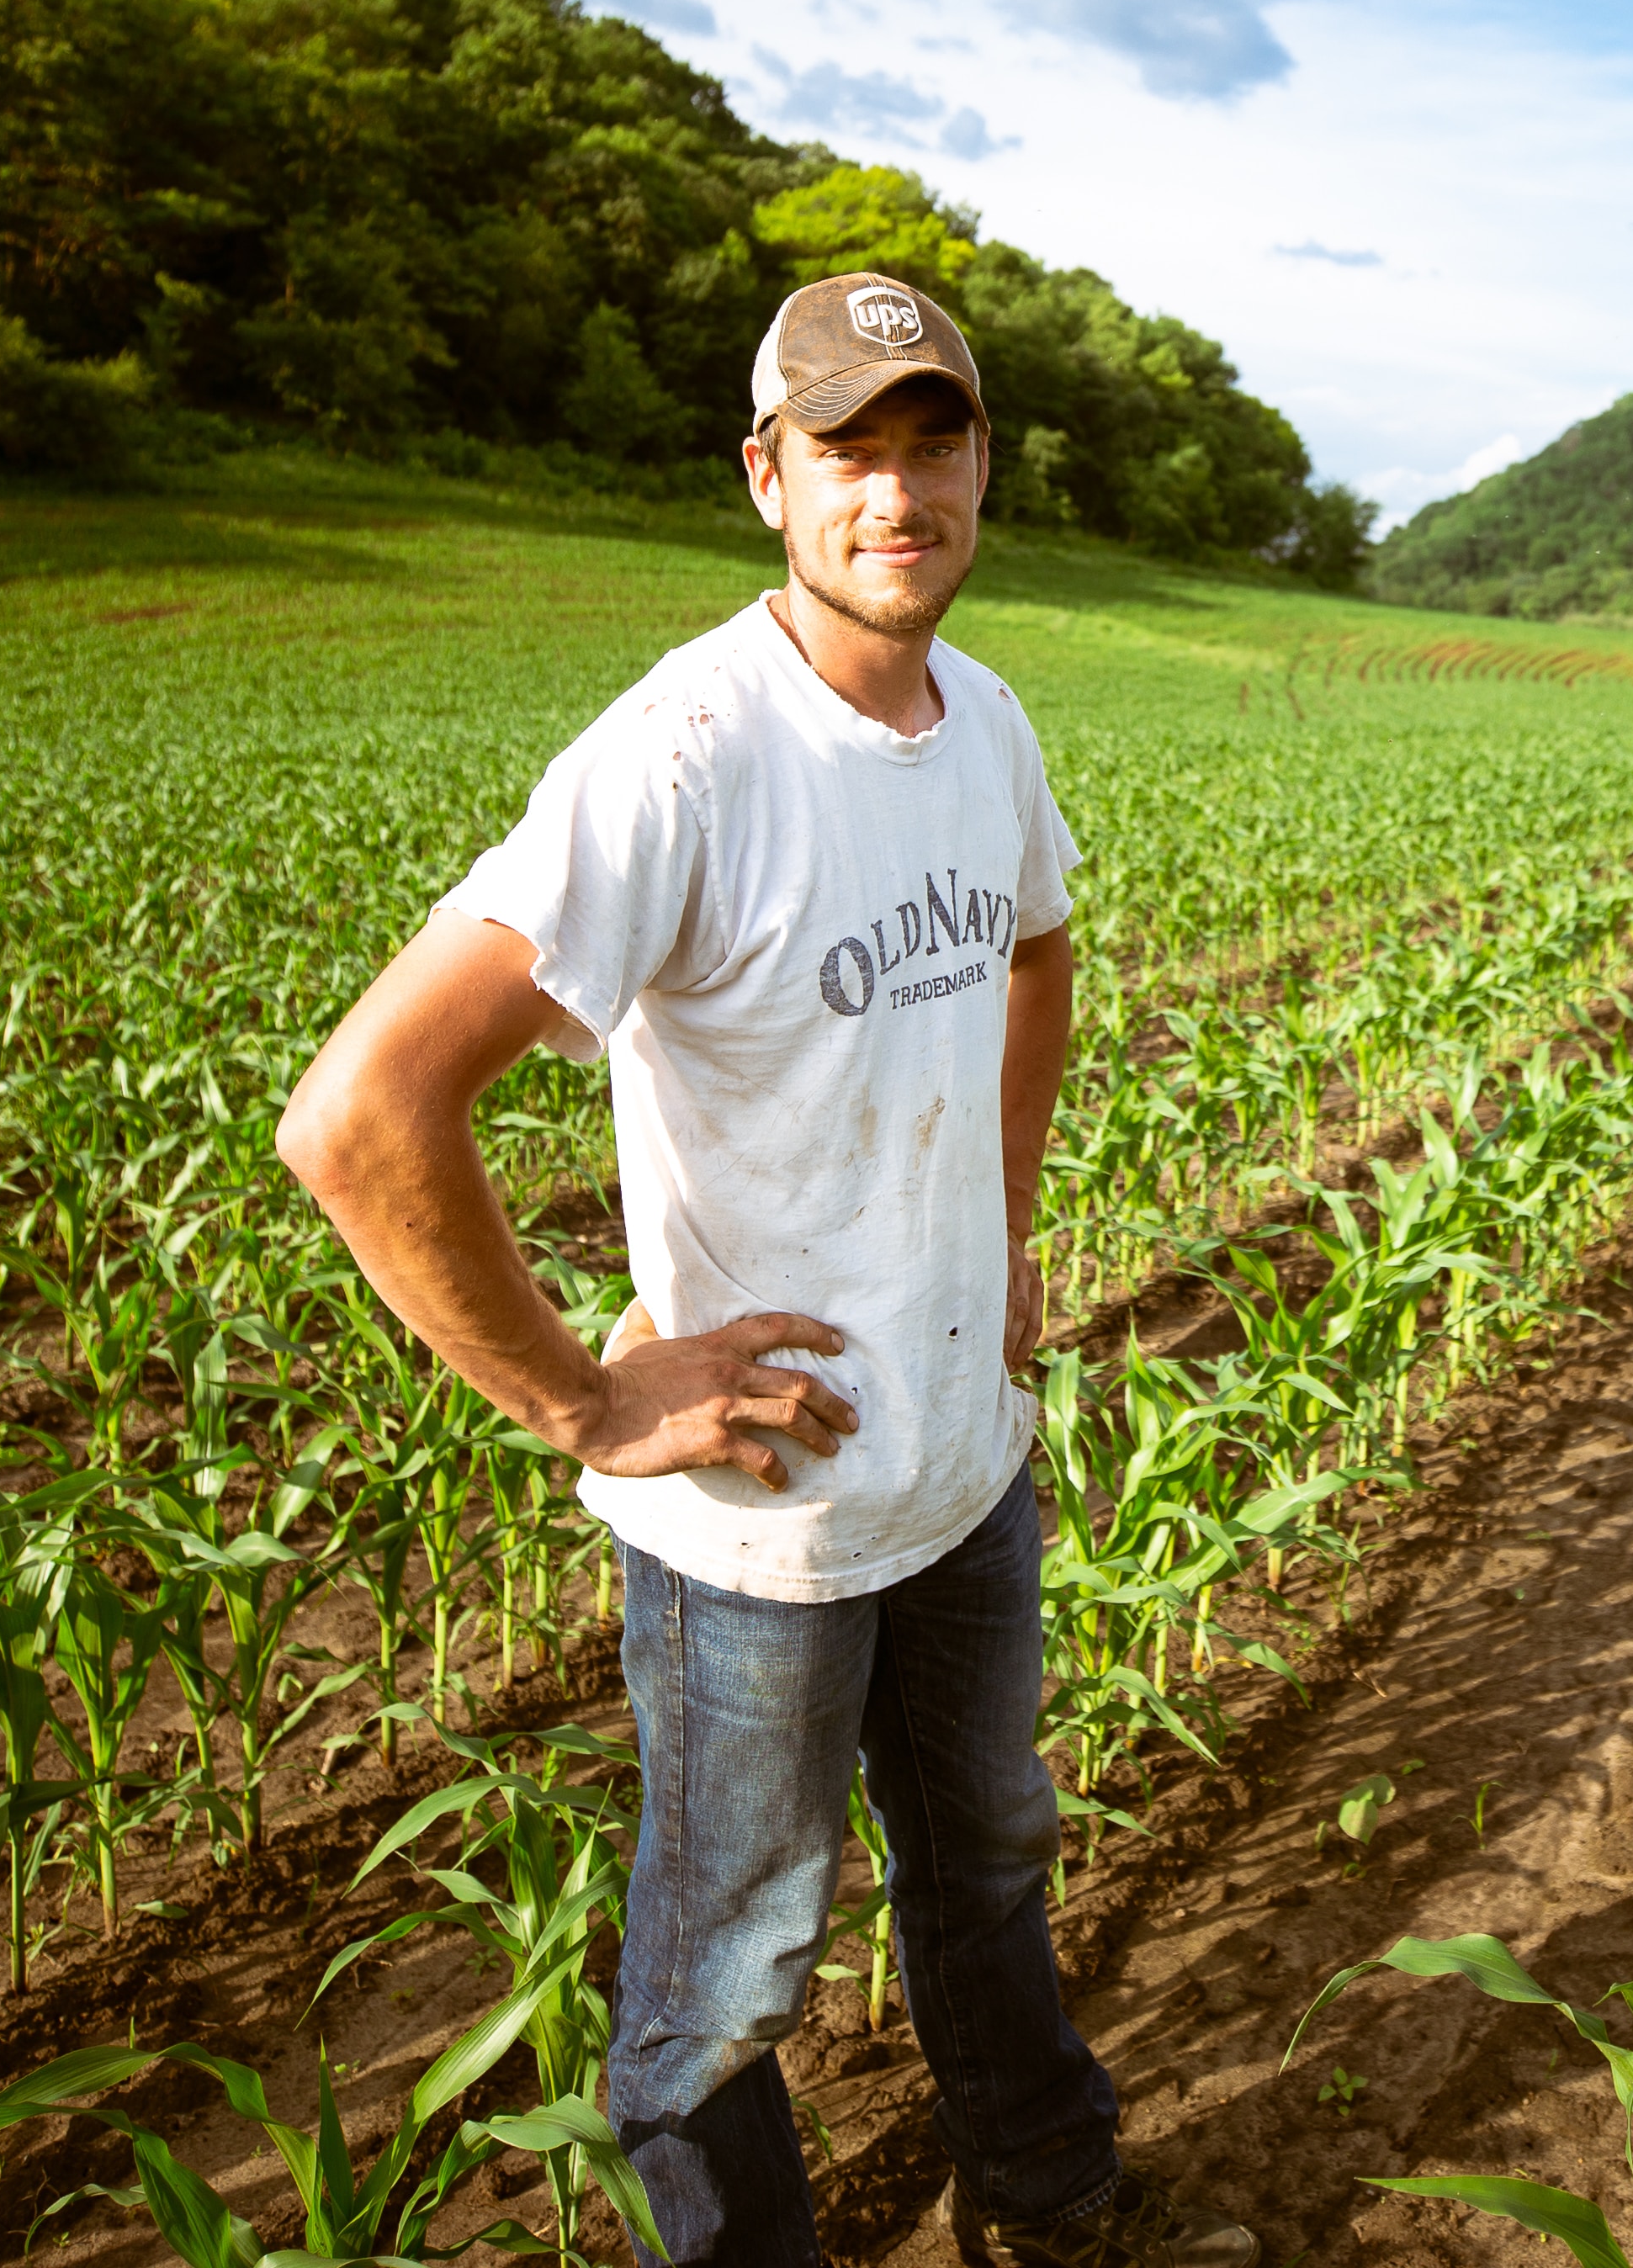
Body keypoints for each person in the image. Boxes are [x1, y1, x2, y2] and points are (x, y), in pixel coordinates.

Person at [278, 274, 1253, 2268]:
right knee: (730, 1972)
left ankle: (1052, 2214)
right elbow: (360, 1115)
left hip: (963, 1464)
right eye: (848, 448)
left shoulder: (986, 720)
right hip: (767, 1522)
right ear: (768, 478)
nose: (897, 490)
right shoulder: (687, 755)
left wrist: (999, 1218)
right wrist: (583, 1396)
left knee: (989, 1862)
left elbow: (1039, 950)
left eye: (933, 440)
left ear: (984, 464)